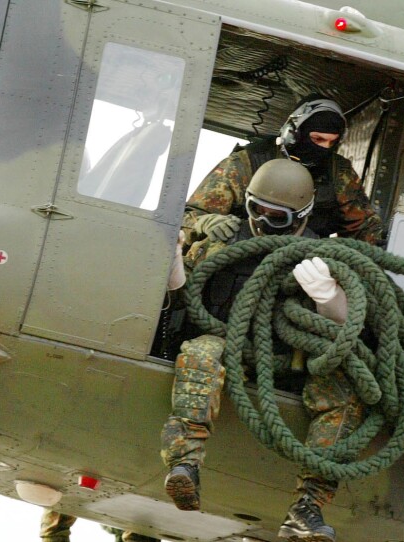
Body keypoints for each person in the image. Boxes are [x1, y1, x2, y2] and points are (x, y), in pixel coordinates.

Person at [162, 159, 360, 542]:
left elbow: (351, 329)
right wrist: (174, 262)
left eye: (278, 217)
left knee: (344, 396)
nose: (264, 223)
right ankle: (185, 465)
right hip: (227, 347)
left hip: (288, 362)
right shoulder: (223, 242)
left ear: (301, 216)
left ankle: (308, 507)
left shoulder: (323, 257)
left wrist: (328, 296)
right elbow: (185, 296)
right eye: (258, 211)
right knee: (201, 353)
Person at [182, 93, 383, 247]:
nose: (324, 148)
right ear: (292, 134)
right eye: (317, 139)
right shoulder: (245, 164)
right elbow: (186, 219)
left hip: (303, 264)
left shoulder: (339, 174)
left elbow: (363, 228)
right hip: (235, 253)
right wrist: (204, 223)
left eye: (332, 143)